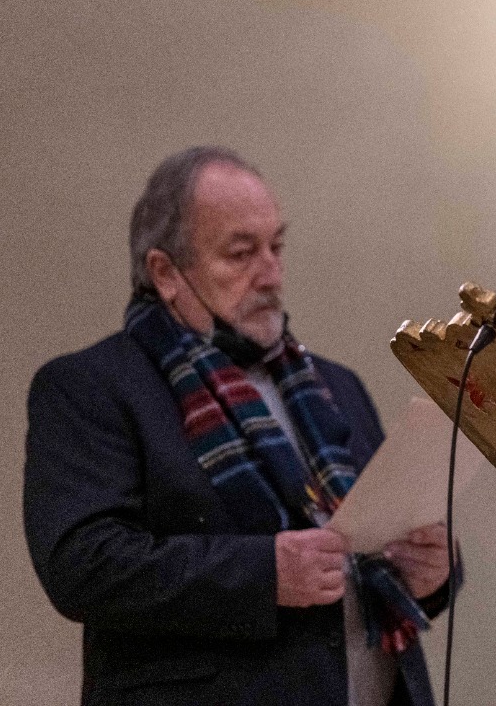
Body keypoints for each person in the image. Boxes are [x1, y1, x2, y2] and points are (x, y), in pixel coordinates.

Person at [24, 147, 455, 706]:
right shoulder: (93, 386)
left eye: (276, 247)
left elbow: (379, 550)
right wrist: (264, 574)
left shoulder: (335, 386)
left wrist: (432, 572)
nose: (271, 274)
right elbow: (83, 567)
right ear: (166, 274)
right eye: (241, 253)